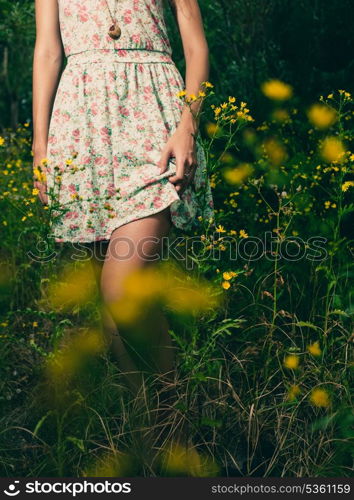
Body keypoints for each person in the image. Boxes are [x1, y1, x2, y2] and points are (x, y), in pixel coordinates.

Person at [32, 0, 213, 400]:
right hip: (82, 124)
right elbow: (47, 50)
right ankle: (149, 438)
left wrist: (188, 125)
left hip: (154, 118)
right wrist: (40, 144)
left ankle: (175, 426)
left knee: (122, 286)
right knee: (113, 310)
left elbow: (196, 45)